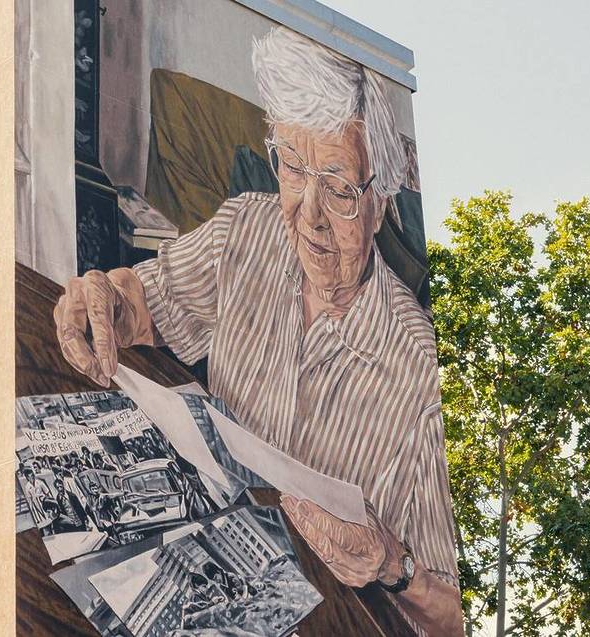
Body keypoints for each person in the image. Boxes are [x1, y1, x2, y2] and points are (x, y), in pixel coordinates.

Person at [53, 26, 463, 635]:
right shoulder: (249, 228)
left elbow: (455, 615)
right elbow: (148, 302)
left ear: (380, 204)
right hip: (204, 565)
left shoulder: (421, 374)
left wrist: (393, 565)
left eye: (339, 189)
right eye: (292, 168)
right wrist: (106, 300)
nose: (308, 213)